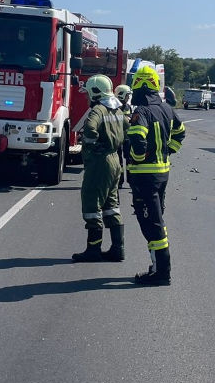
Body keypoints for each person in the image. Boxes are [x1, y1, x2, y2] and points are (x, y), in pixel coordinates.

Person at [125, 64, 186, 285]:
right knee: (156, 219)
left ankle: (161, 273)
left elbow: (137, 140)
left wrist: (137, 158)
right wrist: (167, 151)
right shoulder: (167, 108)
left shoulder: (141, 111)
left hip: (145, 177)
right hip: (162, 174)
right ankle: (157, 267)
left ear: (138, 86)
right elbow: (180, 133)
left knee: (151, 224)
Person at [72, 75, 126, 262]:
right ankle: (118, 249)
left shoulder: (98, 110)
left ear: (96, 93)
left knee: (92, 204)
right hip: (115, 160)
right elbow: (128, 127)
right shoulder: (118, 110)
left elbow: (90, 129)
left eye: (87, 93)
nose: (86, 97)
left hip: (100, 162)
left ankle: (93, 250)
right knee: (111, 205)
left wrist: (92, 144)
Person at [114, 84, 133, 187]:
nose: (128, 97)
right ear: (121, 95)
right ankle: (119, 181)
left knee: (129, 159)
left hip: (127, 137)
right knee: (118, 160)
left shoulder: (128, 107)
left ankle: (131, 180)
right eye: (127, 95)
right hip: (118, 137)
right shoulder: (114, 107)